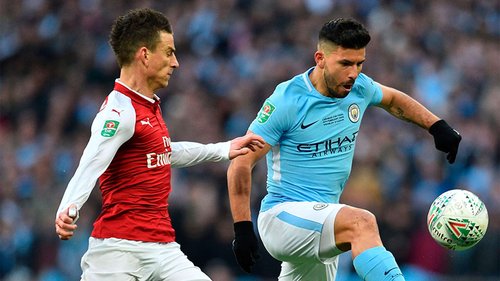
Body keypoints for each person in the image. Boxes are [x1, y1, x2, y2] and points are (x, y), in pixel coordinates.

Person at [227, 18, 461, 281]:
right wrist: (243, 228)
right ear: (320, 58)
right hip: (282, 217)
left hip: (323, 219)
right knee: (361, 223)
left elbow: (394, 100)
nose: (354, 73)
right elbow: (241, 162)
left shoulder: (358, 87)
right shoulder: (287, 100)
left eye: (360, 63)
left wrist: (436, 126)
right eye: (346, 64)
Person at [54, 8, 264, 281]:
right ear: (144, 55)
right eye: (168, 52)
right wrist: (68, 207)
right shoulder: (119, 112)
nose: (175, 62)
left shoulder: (148, 105)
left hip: (163, 249)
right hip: (119, 251)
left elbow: (163, 151)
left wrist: (223, 149)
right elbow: (91, 160)